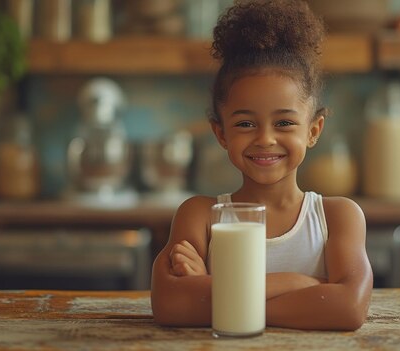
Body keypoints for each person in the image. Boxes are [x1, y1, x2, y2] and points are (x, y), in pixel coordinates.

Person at [150, 0, 372, 331]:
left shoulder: (338, 217)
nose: (265, 139)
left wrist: (220, 298)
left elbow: (349, 309)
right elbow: (170, 304)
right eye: (245, 124)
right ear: (221, 133)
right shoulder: (200, 216)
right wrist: (298, 284)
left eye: (283, 123)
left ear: (313, 131)